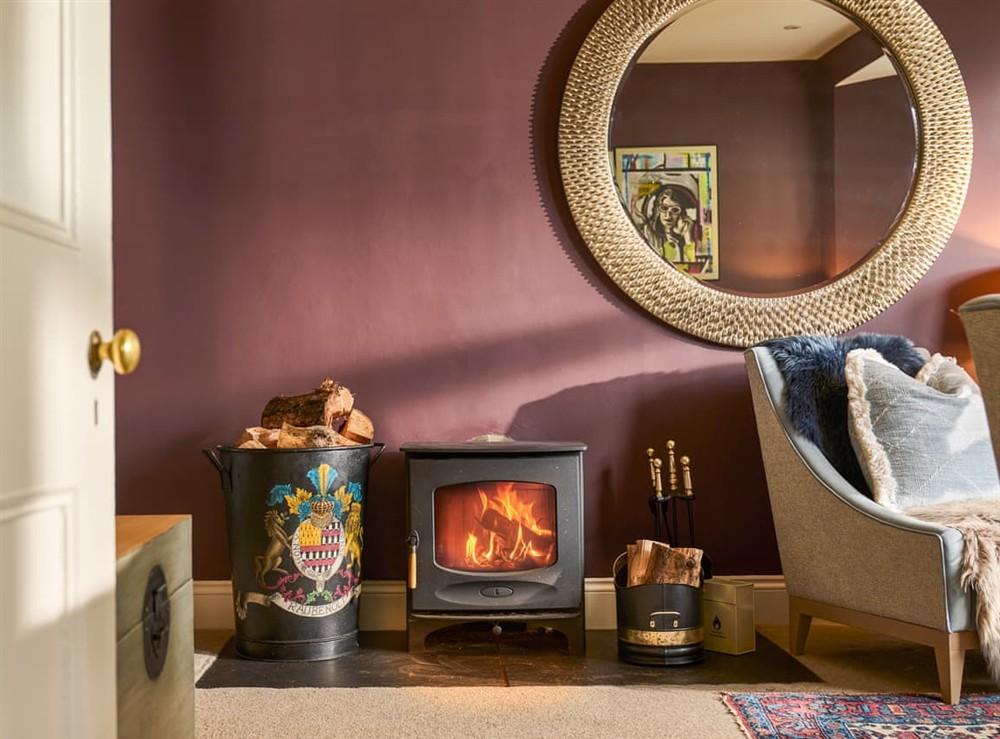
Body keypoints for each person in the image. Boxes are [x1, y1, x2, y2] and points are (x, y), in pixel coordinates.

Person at [631, 174, 703, 264]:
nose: (668, 215)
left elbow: (692, 266)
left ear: (681, 213)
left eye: (675, 210)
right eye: (664, 208)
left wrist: (688, 239)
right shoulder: (645, 232)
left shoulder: (689, 232)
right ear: (657, 209)